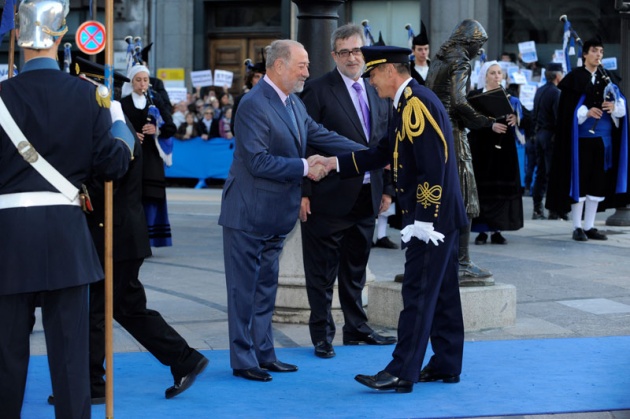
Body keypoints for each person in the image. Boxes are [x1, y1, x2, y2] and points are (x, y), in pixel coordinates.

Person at [0, 1, 134, 417]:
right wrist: (120, 128)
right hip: (66, 239)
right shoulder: (89, 96)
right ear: (61, 38)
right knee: (72, 361)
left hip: (8, 240)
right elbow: (112, 166)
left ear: (18, 39)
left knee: (4, 360)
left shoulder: (1, 97)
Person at [313, 45, 467, 393]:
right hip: (436, 217)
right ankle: (446, 363)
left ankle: (402, 370)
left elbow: (433, 165)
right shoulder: (405, 101)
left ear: (389, 71)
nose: (369, 81)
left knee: (417, 293)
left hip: (430, 221)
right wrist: (334, 163)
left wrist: (424, 221)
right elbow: (382, 152)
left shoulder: (416, 103)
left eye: (372, 74)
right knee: (442, 293)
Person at [218, 39, 364, 382]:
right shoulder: (253, 104)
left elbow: (322, 135)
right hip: (247, 214)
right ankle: (243, 360)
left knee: (266, 287)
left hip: (275, 216)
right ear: (279, 66)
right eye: (302, 65)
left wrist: (370, 153)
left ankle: (264, 354)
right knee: (243, 291)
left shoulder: (293, 103)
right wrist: (303, 167)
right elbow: (257, 161)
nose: (307, 72)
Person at [299, 24, 396, 360]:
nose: (352, 57)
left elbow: (387, 143)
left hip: (368, 196)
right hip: (328, 197)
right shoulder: (317, 90)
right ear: (334, 56)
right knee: (322, 273)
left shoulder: (376, 88)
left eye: (357, 51)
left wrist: (389, 189)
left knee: (355, 271)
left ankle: (356, 329)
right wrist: (304, 191)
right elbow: (304, 142)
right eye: (344, 52)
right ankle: (322, 336)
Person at [425, 19, 497, 286]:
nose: (480, 51)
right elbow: (459, 101)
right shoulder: (461, 60)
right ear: (469, 41)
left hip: (435, 133)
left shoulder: (440, 57)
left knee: (440, 197)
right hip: (454, 133)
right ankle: (462, 263)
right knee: (465, 196)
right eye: (479, 44)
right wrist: (485, 120)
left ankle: (439, 258)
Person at [546, 37, 629, 241]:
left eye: (601, 51)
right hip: (581, 141)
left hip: (605, 141)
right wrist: (585, 112)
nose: (598, 54)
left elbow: (621, 106)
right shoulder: (574, 78)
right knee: (580, 181)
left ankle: (590, 225)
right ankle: (577, 226)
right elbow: (566, 113)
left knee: (597, 183)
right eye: (594, 51)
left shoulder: (608, 77)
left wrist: (614, 108)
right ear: (585, 54)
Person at [468, 61, 524, 245]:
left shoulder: (510, 97)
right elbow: (469, 121)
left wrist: (516, 117)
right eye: (492, 73)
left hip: (504, 152)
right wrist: (489, 125)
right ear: (485, 75)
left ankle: (497, 230)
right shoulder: (475, 96)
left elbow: (528, 118)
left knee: (501, 191)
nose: (497, 76)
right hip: (482, 150)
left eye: (500, 72)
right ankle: (482, 231)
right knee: (484, 190)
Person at [121, 64, 177, 248]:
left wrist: (156, 129)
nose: (142, 84)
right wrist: (130, 133)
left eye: (145, 80)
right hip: (132, 156)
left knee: (151, 197)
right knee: (133, 197)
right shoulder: (123, 103)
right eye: (138, 80)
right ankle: (134, 238)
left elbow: (171, 126)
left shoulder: (156, 101)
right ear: (132, 81)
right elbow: (115, 126)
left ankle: (150, 238)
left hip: (152, 157)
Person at [532, 62, 565, 220]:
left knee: (541, 173)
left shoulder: (539, 91)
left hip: (539, 135)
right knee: (552, 174)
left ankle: (537, 208)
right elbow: (559, 118)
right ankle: (554, 210)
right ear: (558, 76)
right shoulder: (556, 92)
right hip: (550, 137)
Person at [232, 55, 266, 135]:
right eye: (257, 77)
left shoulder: (274, 98)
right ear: (251, 80)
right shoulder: (241, 99)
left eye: (263, 77)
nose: (261, 80)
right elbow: (233, 126)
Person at [409, 21, 430, 85]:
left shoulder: (434, 68)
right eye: (420, 49)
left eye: (426, 49)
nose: (423, 52)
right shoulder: (408, 70)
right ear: (413, 50)